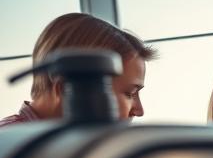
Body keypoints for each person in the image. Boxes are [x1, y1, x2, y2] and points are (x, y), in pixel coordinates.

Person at [0, 12, 156, 127]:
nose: (139, 111)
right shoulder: (14, 151)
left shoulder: (67, 145)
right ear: (67, 90)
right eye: (129, 93)